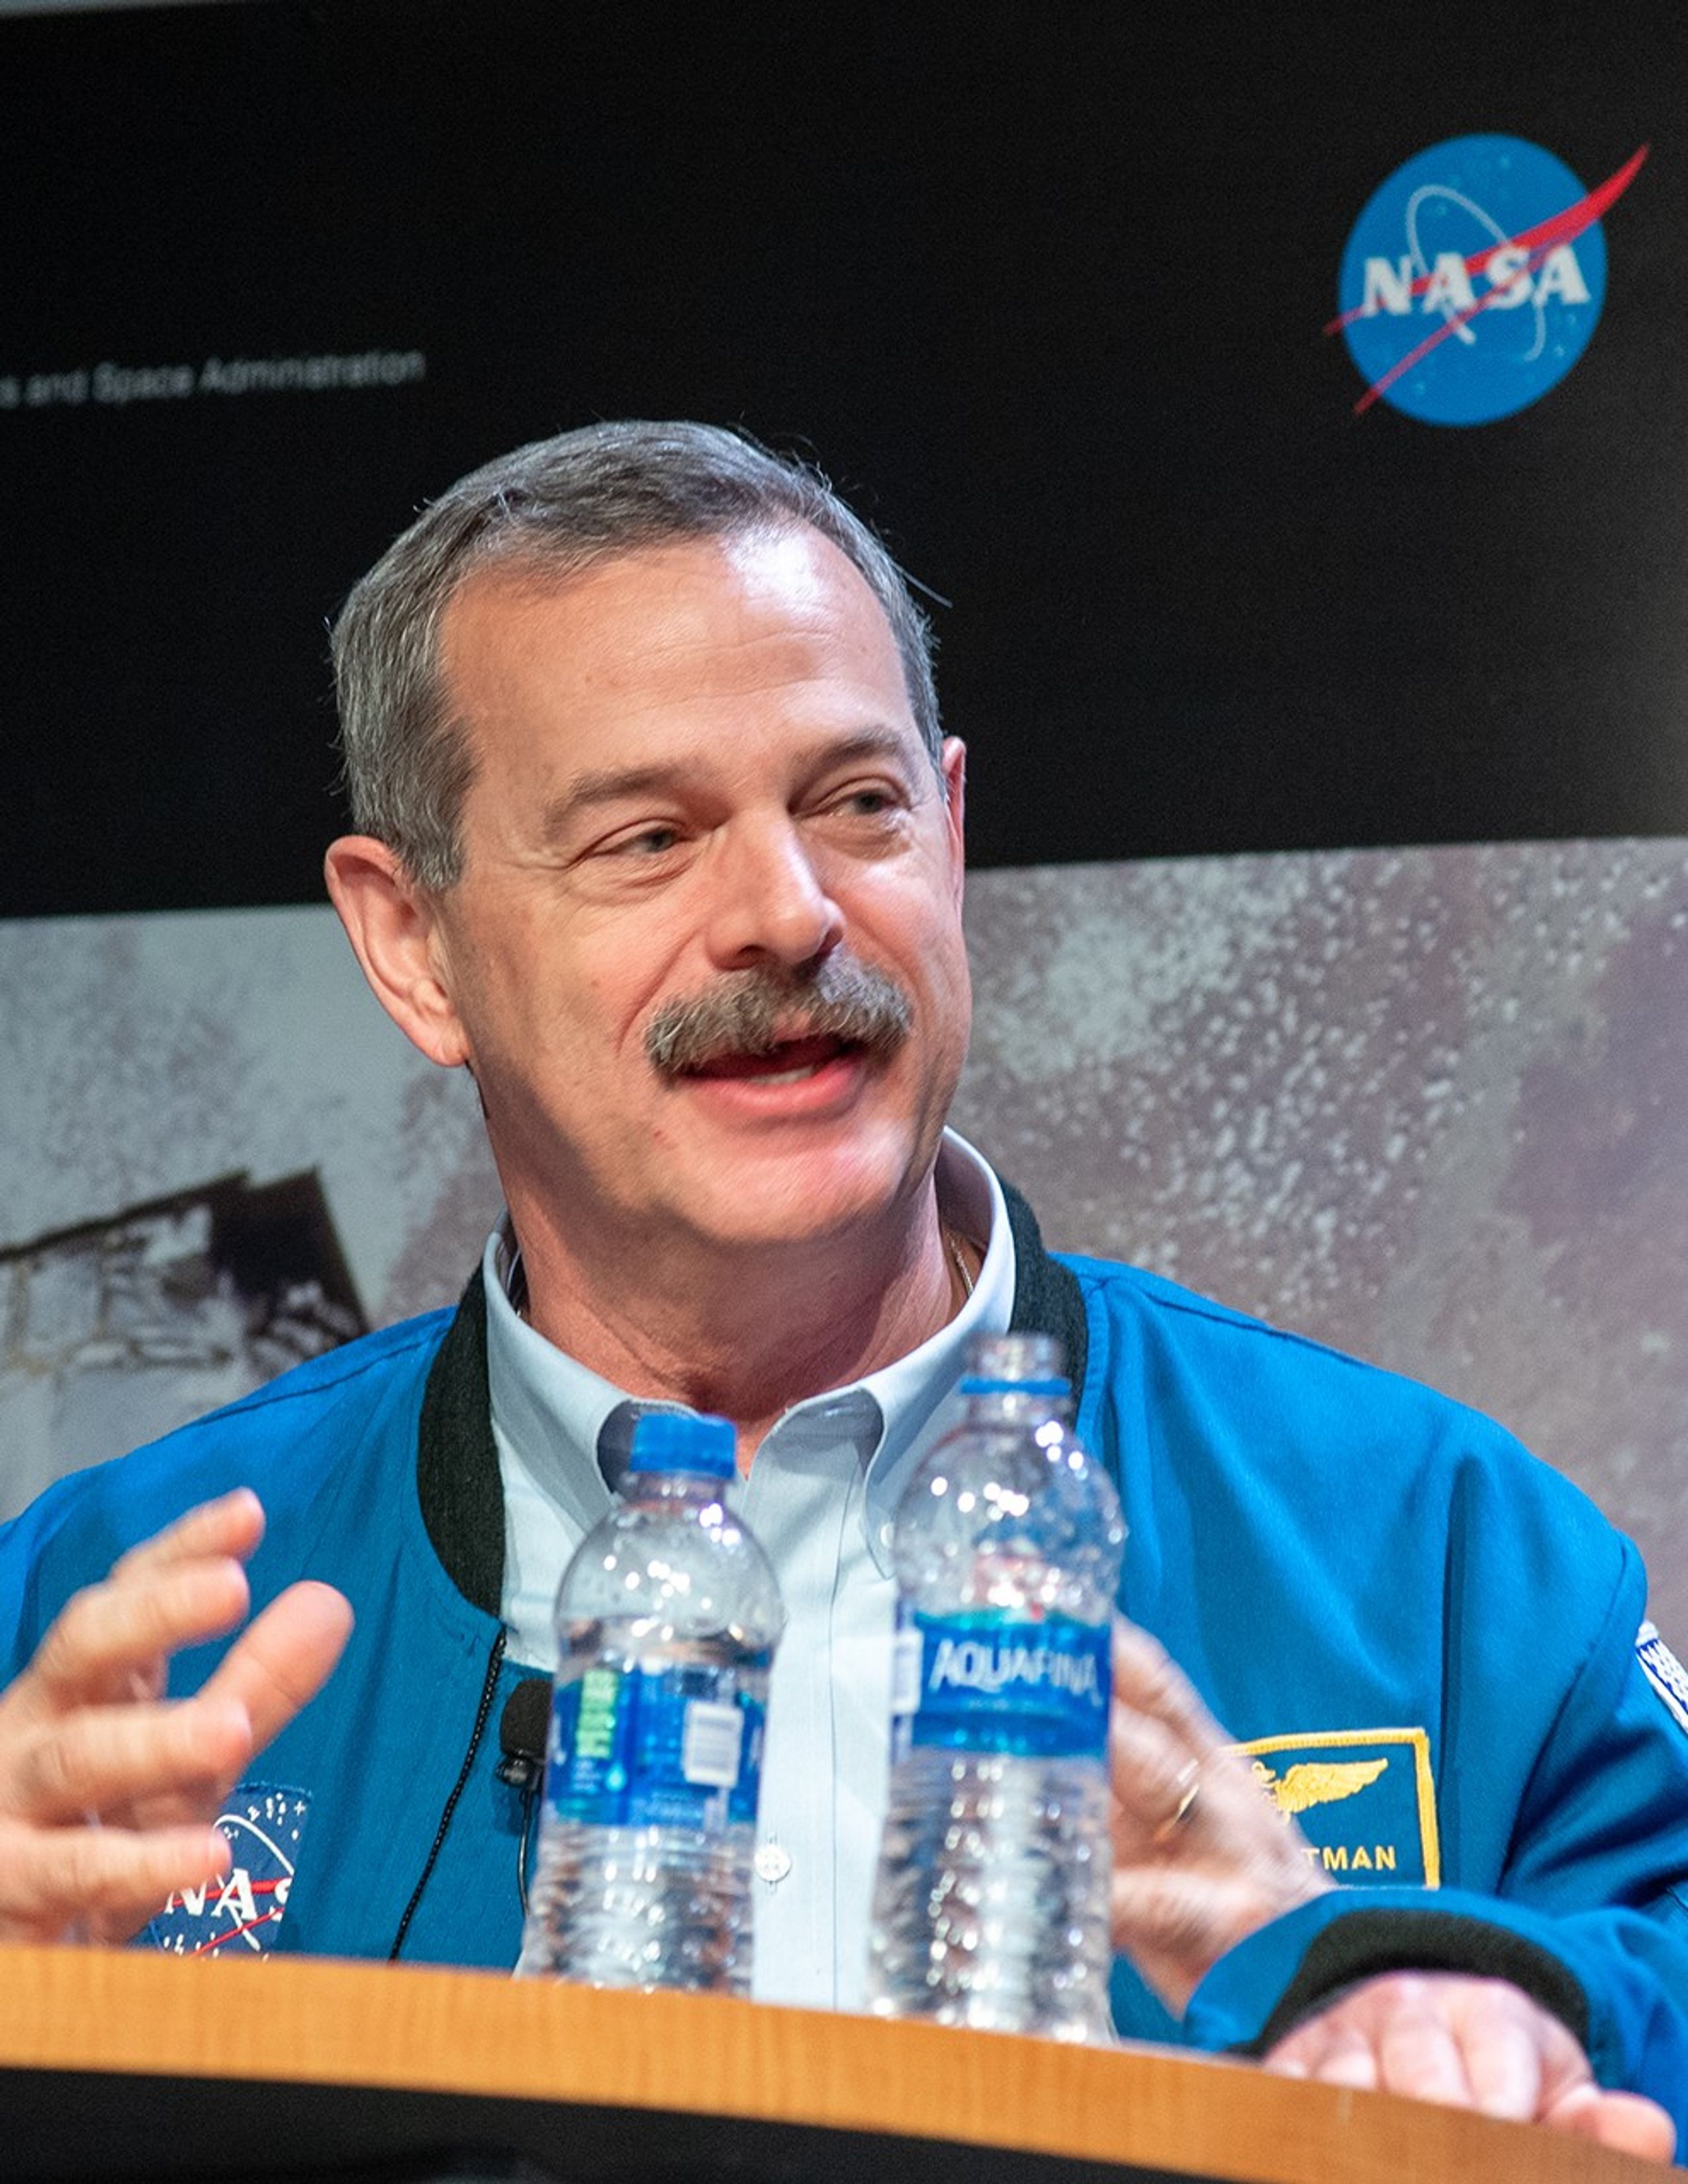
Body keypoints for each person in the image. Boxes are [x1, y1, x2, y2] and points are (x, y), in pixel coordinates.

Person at [1, 422, 1684, 2156]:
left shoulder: (1434, 1547)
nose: (789, 912)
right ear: (414, 945)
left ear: (950, 832)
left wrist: (1520, 2011)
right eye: (647, 838)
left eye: (854, 804)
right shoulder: (104, 1613)